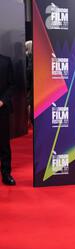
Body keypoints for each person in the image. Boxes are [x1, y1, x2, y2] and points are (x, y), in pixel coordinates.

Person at [0, 54, 16, 186]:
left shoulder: (6, 61)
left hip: (2, 109)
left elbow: (12, 85)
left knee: (4, 143)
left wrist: (2, 101)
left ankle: (6, 173)